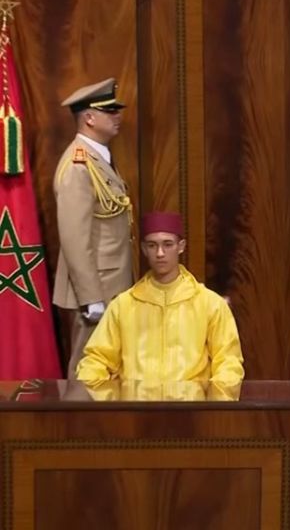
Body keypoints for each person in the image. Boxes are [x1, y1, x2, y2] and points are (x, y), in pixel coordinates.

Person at [76, 211, 244, 383]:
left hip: (191, 406)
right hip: (136, 405)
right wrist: (101, 399)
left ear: (181, 246)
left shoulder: (210, 304)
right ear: (143, 249)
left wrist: (214, 406)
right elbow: (96, 360)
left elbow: (228, 363)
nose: (160, 253)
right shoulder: (123, 305)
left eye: (168, 244)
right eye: (152, 245)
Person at [53, 78, 135, 378]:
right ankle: (79, 426)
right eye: (110, 111)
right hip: (95, 290)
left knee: (108, 371)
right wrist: (91, 298)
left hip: (111, 285)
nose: (118, 116)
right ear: (89, 117)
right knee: (87, 372)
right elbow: (75, 239)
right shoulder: (77, 166)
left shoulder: (97, 159)